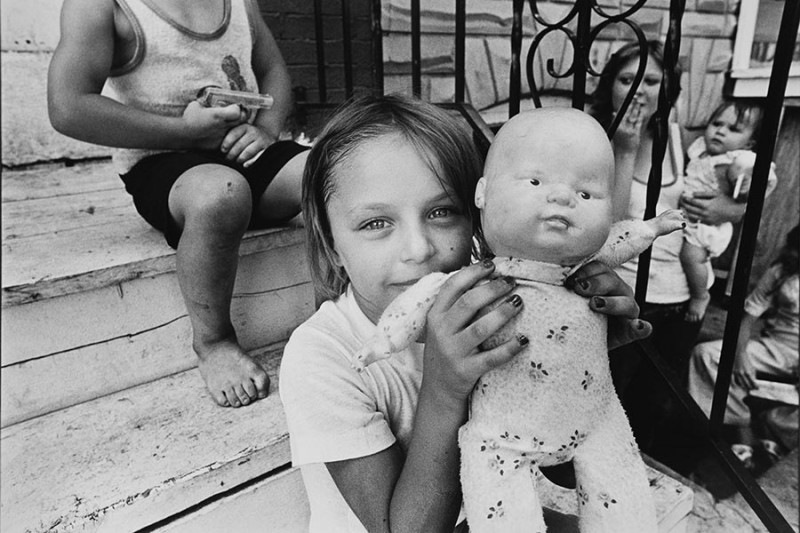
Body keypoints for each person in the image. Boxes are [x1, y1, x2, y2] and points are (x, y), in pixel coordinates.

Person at [279, 94, 655, 533]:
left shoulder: (499, 306)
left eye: (442, 213)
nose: (418, 250)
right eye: (376, 223)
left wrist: (574, 364)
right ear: (331, 244)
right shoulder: (323, 356)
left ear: (476, 213)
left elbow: (559, 469)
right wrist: (444, 388)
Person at [48, 0, 310, 408]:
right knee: (221, 194)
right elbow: (68, 106)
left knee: (331, 170)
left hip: (243, 151)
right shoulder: (102, 6)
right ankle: (214, 341)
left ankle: (335, 314)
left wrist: (267, 130)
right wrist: (184, 134)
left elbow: (273, 71)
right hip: (164, 163)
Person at [587, 40, 745, 471]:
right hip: (620, 296)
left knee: (654, 402)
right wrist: (624, 146)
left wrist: (725, 209)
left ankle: (644, 476)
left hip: (676, 298)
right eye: (626, 79)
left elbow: (730, 200)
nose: (639, 90)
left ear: (666, 89)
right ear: (611, 87)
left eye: (651, 80)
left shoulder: (684, 140)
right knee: (604, 399)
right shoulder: (592, 138)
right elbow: (606, 229)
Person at [688, 225, 798, 468]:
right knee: (706, 354)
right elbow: (747, 318)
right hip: (778, 349)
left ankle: (775, 425)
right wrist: (741, 357)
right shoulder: (783, 271)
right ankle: (741, 426)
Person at [680, 100, 778, 322]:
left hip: (707, 225)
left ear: (748, 143)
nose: (720, 132)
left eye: (733, 129)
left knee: (691, 256)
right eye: (717, 123)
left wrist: (745, 189)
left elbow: (765, 178)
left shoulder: (738, 160)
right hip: (691, 215)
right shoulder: (700, 150)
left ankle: (700, 296)